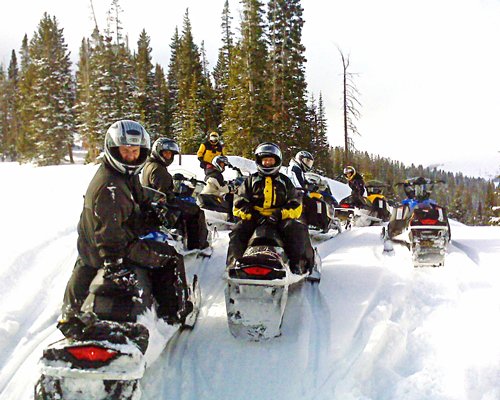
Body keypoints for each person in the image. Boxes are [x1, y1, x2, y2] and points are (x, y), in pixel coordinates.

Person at [58, 120, 192, 338]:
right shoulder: (111, 187)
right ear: (113, 149)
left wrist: (154, 212)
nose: (130, 156)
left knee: (84, 267)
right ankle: (172, 313)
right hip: (116, 247)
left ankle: (70, 312)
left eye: (135, 150)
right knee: (170, 258)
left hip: (91, 247)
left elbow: (139, 199)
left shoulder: (122, 175)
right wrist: (114, 263)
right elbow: (109, 234)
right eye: (125, 151)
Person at [226, 142, 315, 274]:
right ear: (259, 161)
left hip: (279, 219)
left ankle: (298, 264)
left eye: (271, 160)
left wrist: (279, 214)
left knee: (297, 229)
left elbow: (296, 203)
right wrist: (254, 215)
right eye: (265, 160)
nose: (267, 163)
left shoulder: (285, 182)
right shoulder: (250, 181)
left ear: (277, 161)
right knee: (238, 231)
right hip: (255, 219)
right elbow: (239, 203)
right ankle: (233, 265)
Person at [142, 137, 209, 250]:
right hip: (162, 208)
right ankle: (198, 245)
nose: (168, 156)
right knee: (196, 211)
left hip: (152, 205)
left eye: (170, 154)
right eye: (166, 153)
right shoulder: (158, 169)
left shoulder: (149, 165)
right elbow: (162, 193)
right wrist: (175, 196)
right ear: (158, 152)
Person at [198, 155, 235, 221]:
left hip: (209, 194)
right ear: (217, 163)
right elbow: (224, 189)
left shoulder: (211, 172)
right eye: (222, 164)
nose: (223, 167)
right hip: (212, 196)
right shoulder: (216, 174)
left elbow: (218, 184)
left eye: (224, 165)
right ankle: (230, 218)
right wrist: (232, 188)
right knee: (230, 197)